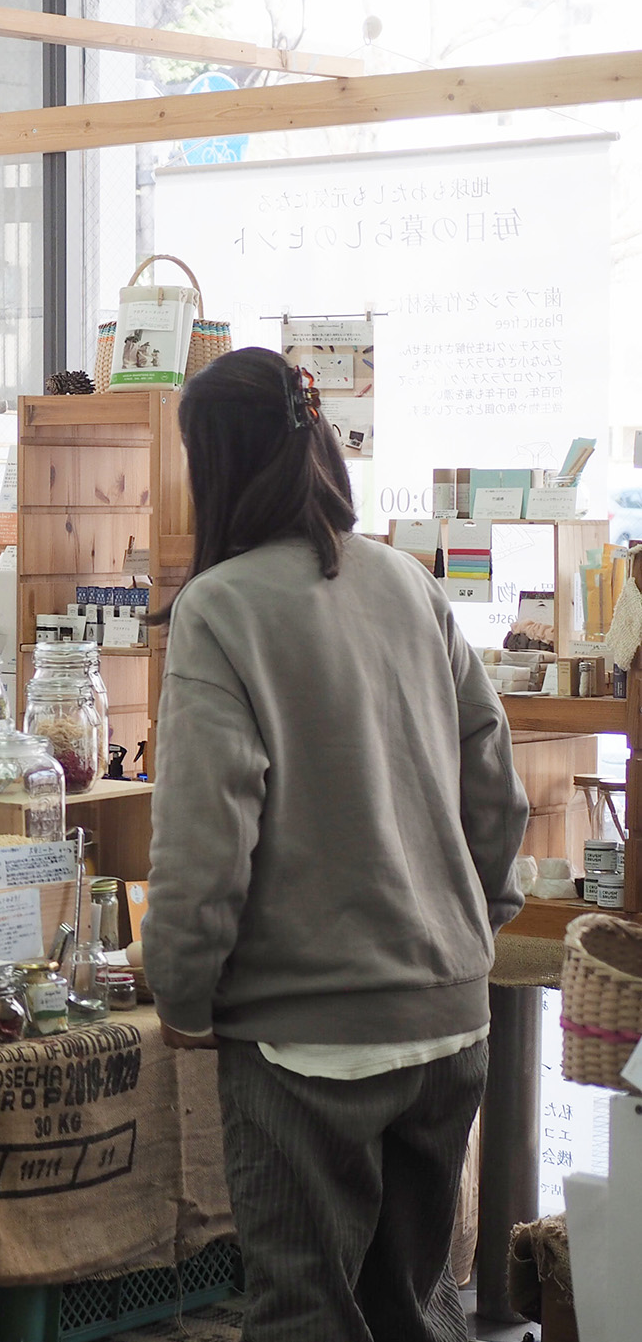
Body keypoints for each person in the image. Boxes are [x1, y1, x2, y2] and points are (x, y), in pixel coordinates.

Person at [143, 347, 529, 1342]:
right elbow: (494, 781)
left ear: (213, 465)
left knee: (305, 1316)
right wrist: (474, 920)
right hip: (450, 1021)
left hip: (303, 1042)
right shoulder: (408, 581)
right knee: (416, 1310)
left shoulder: (217, 608)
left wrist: (180, 994)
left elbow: (203, 843)